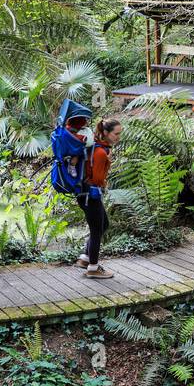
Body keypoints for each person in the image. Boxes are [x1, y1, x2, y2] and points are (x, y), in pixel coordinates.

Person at [74, 117, 122, 278]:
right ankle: (93, 269)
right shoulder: (100, 152)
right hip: (90, 194)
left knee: (104, 224)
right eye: (116, 134)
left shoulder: (95, 146)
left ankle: (85, 258)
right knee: (96, 230)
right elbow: (97, 179)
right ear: (106, 133)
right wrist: (104, 181)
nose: (118, 137)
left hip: (84, 194)